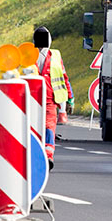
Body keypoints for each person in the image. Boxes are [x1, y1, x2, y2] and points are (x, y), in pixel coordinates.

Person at [34, 26, 74, 170]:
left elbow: (63, 78)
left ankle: (42, 156)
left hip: (37, 101)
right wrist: (70, 98)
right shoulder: (55, 56)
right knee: (48, 128)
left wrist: (70, 98)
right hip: (43, 100)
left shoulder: (29, 55)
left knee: (39, 128)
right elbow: (65, 78)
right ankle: (47, 156)